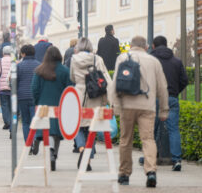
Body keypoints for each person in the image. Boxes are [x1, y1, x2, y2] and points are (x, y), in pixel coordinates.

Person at [108, 36, 169, 188]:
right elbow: (162, 88)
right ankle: (151, 172)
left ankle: (124, 174)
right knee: (148, 139)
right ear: (146, 47)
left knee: (125, 140)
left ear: (131, 46)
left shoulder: (122, 58)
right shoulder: (154, 61)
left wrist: (114, 106)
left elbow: (114, 83)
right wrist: (163, 110)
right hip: (147, 106)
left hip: (126, 105)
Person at [70, 37, 112, 171]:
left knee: (77, 125)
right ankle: (87, 159)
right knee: (91, 127)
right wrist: (111, 99)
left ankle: (82, 148)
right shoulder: (97, 59)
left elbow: (72, 77)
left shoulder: (73, 59)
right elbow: (105, 77)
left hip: (79, 94)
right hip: (94, 94)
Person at [31, 46, 73, 171]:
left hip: (43, 105)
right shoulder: (65, 71)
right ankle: (53, 153)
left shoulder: (39, 70)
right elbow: (70, 89)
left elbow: (34, 88)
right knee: (56, 133)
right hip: (59, 106)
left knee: (43, 128)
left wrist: (37, 101)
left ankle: (38, 141)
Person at [150, 35, 188, 172]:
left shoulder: (151, 61)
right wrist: (174, 92)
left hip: (154, 98)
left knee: (151, 130)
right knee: (173, 129)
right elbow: (184, 80)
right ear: (166, 45)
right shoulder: (176, 61)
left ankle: (150, 158)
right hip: (171, 98)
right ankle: (177, 160)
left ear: (153, 46)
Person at [16, 44, 39, 145]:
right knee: (35, 120)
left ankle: (29, 144)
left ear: (23, 54)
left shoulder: (18, 66)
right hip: (35, 97)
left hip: (22, 97)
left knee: (25, 122)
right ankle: (35, 139)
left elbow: (15, 82)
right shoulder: (39, 65)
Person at [0, 45, 13, 130]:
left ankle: (7, 122)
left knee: (4, 105)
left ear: (3, 53)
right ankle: (12, 122)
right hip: (13, 86)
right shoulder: (14, 61)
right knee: (11, 105)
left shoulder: (0, 60)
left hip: (3, 86)